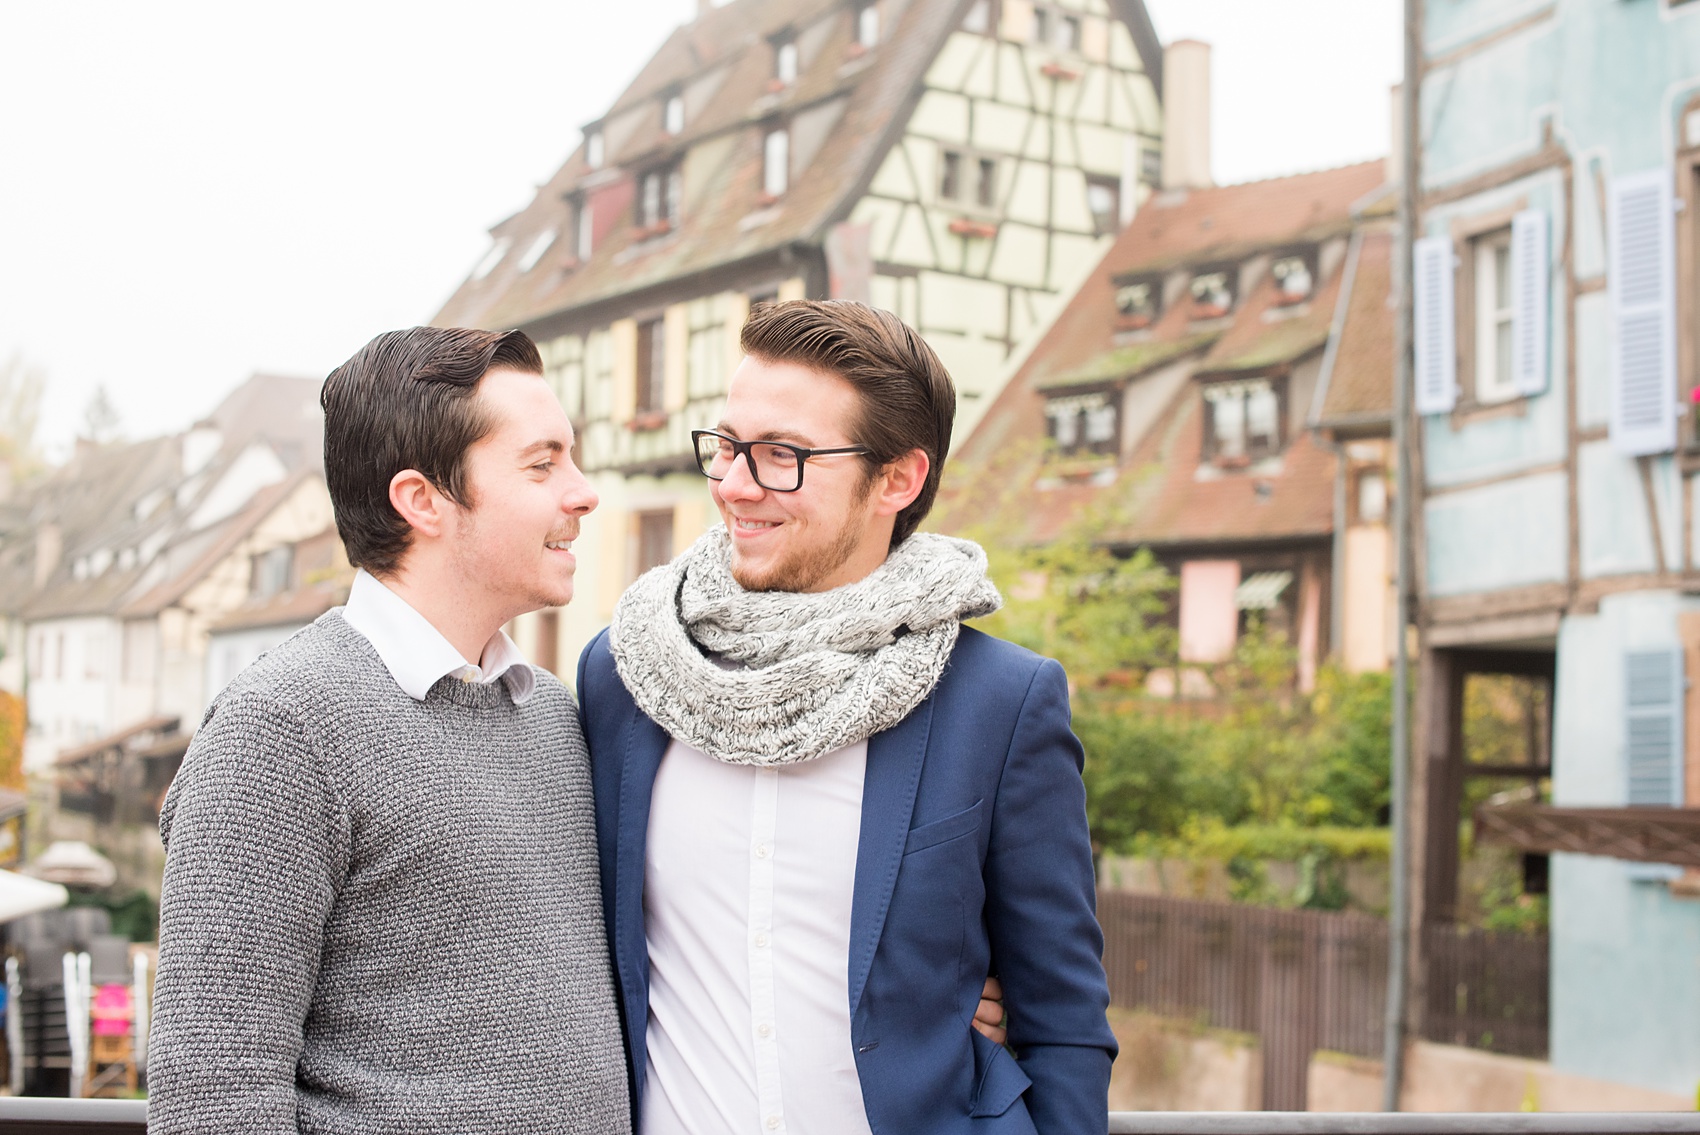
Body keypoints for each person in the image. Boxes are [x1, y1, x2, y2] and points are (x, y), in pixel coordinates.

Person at [578, 300, 1116, 1135]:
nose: (734, 483)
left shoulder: (1000, 702)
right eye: (727, 446)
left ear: (897, 479)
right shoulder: (624, 675)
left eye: (782, 455)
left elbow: (1064, 1017)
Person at [148, 328, 629, 1135]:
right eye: (542, 464)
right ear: (423, 500)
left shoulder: (552, 717)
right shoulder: (281, 729)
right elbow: (214, 1092)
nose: (582, 493)